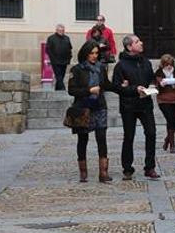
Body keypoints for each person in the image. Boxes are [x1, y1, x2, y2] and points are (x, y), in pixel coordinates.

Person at [112, 34, 160, 180]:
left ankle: (149, 167)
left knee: (151, 133)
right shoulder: (121, 65)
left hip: (145, 104)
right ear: (129, 47)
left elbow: (151, 78)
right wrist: (134, 89)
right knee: (129, 136)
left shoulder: (145, 62)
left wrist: (152, 85)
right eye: (137, 41)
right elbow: (116, 87)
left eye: (140, 40)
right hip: (129, 106)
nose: (141, 43)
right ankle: (127, 168)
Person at [67, 40, 114, 183]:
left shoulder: (101, 68)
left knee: (102, 138)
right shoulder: (77, 69)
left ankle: (103, 172)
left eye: (96, 53)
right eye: (91, 53)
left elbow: (107, 85)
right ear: (85, 54)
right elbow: (71, 90)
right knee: (83, 139)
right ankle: (83, 171)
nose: (94, 56)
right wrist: (89, 90)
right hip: (83, 108)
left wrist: (124, 87)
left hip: (99, 107)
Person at [155, 54, 175, 154]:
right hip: (164, 100)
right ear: (163, 64)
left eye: (170, 64)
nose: (169, 66)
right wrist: (160, 84)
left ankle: (168, 139)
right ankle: (172, 145)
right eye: (166, 64)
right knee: (170, 119)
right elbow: (156, 86)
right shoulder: (159, 73)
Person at [46, 24, 73, 91]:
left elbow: (70, 48)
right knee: (58, 75)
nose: (61, 32)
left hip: (64, 60)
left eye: (62, 30)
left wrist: (69, 57)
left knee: (62, 75)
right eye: (60, 30)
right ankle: (62, 88)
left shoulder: (67, 38)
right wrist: (52, 58)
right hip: (55, 61)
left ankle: (57, 88)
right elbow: (48, 49)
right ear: (57, 30)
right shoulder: (51, 38)